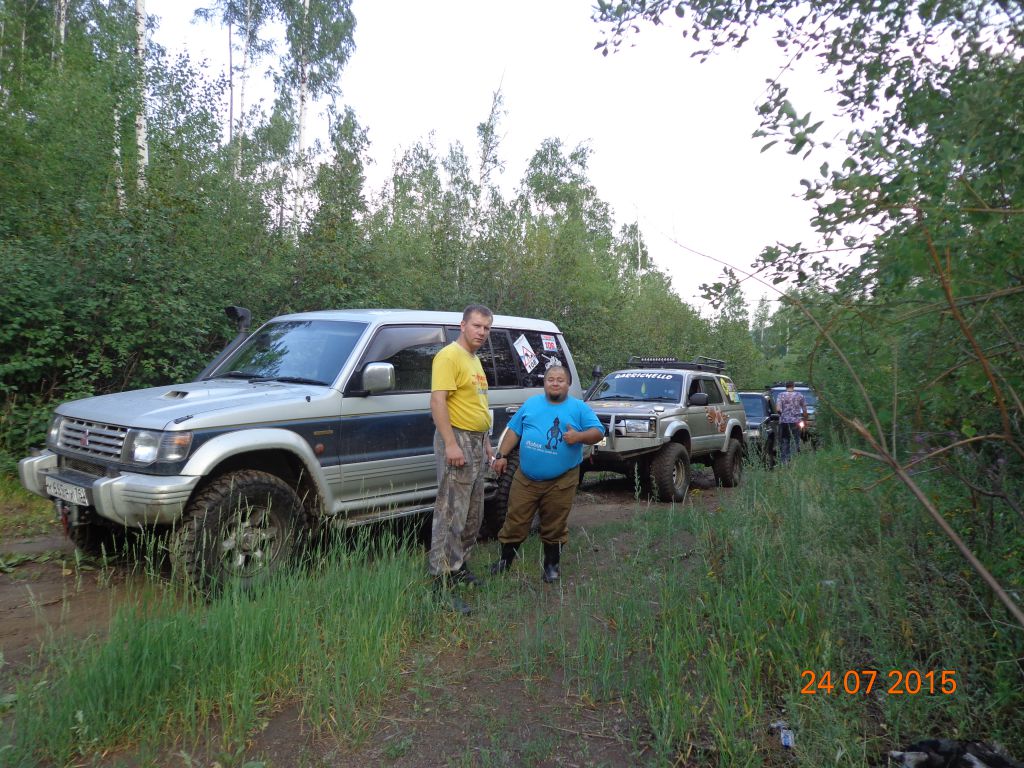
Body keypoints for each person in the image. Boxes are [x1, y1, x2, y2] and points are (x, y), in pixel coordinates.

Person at [490, 365, 605, 583]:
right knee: (515, 520)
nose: (555, 383)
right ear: (544, 383)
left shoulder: (579, 408)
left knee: (554, 522)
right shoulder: (531, 403)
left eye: (560, 380)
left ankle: (551, 566)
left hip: (561, 479)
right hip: (526, 477)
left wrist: (579, 437)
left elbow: (598, 432)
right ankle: (505, 561)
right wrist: (501, 455)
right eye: (550, 379)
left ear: (568, 383)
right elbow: (514, 430)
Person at [429, 304, 496, 614]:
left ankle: (458, 567)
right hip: (457, 439)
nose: (481, 332)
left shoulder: (474, 360)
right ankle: (440, 584)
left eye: (486, 328)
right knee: (450, 513)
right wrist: (450, 443)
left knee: (472, 514)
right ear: (463, 325)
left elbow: (477, 405)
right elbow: (438, 401)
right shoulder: (449, 356)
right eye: (477, 326)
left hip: (476, 441)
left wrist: (486, 443)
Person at [776, 381, 808, 465]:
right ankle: (793, 461)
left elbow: (778, 409)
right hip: (796, 421)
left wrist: (782, 415)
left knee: (784, 441)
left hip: (784, 422)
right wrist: (805, 420)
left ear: (786, 386)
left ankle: (784, 462)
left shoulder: (780, 395)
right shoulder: (800, 395)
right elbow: (804, 410)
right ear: (793, 386)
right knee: (795, 440)